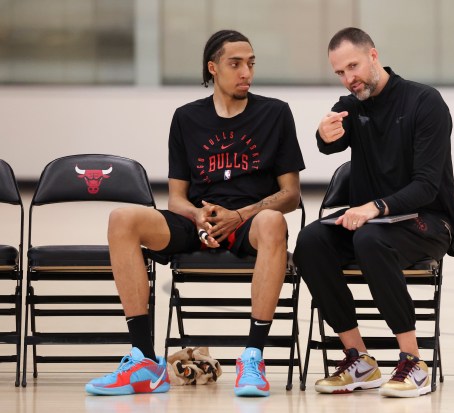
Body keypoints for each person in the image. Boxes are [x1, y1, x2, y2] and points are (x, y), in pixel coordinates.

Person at [85, 29, 305, 397]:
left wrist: (240, 214)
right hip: (198, 220)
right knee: (122, 218)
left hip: (249, 222)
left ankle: (253, 357)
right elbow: (176, 199)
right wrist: (198, 216)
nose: (246, 72)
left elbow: (291, 194)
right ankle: (143, 360)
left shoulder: (275, 113)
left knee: (273, 221)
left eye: (250, 64)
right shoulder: (186, 118)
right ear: (213, 68)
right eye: (235, 64)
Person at [293, 27, 454, 398]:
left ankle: (413, 361)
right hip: (375, 224)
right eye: (339, 72)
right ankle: (359, 358)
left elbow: (427, 185)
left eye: (353, 66)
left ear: (373, 56)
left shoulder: (424, 102)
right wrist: (324, 134)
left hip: (429, 221)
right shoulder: (352, 105)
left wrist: (374, 207)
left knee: (370, 238)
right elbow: (326, 147)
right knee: (310, 241)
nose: (348, 78)